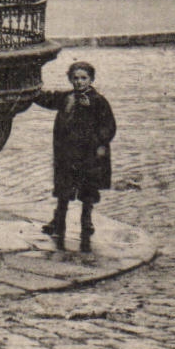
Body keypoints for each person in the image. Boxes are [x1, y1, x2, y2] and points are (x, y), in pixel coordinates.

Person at [34, 60, 117, 252]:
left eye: (83, 78)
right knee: (64, 188)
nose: (79, 82)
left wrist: (99, 142)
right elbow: (47, 99)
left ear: (91, 79)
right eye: (75, 78)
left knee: (88, 189)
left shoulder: (98, 101)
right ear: (70, 79)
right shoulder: (67, 97)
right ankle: (59, 221)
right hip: (67, 153)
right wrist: (32, 92)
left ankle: (86, 222)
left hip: (88, 154)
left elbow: (108, 126)